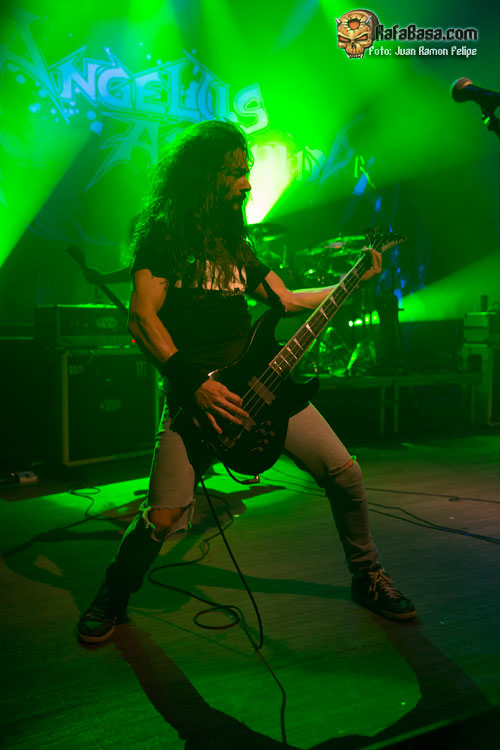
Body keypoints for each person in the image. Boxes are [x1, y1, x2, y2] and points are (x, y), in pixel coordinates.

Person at [77, 120, 416, 643]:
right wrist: (194, 384)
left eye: (247, 171)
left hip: (262, 385)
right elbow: (142, 318)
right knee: (163, 515)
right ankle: (113, 592)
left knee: (345, 474)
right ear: (205, 175)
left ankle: (367, 575)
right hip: (198, 396)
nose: (247, 183)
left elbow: (286, 300)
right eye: (236, 172)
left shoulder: (235, 241)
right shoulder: (163, 236)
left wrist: (351, 280)